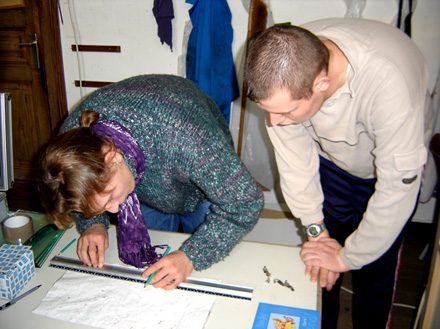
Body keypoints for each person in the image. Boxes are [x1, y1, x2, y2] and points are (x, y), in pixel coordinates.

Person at [244, 18, 432, 329]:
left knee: (374, 272)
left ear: (322, 82)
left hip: (390, 173)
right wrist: (318, 234)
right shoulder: (285, 70)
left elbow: (396, 190)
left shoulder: (389, 85)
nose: (274, 122)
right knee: (320, 266)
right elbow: (296, 167)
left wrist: (346, 259)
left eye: (286, 112)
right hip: (333, 165)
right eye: (269, 111)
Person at [38, 74, 264, 290]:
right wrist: (93, 222)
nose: (115, 210)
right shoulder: (71, 144)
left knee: (205, 272)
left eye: (110, 197)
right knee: (157, 267)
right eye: (106, 205)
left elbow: (245, 203)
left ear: (113, 157)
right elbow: (77, 192)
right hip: (146, 183)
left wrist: (192, 256)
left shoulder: (187, 137)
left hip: (200, 182)